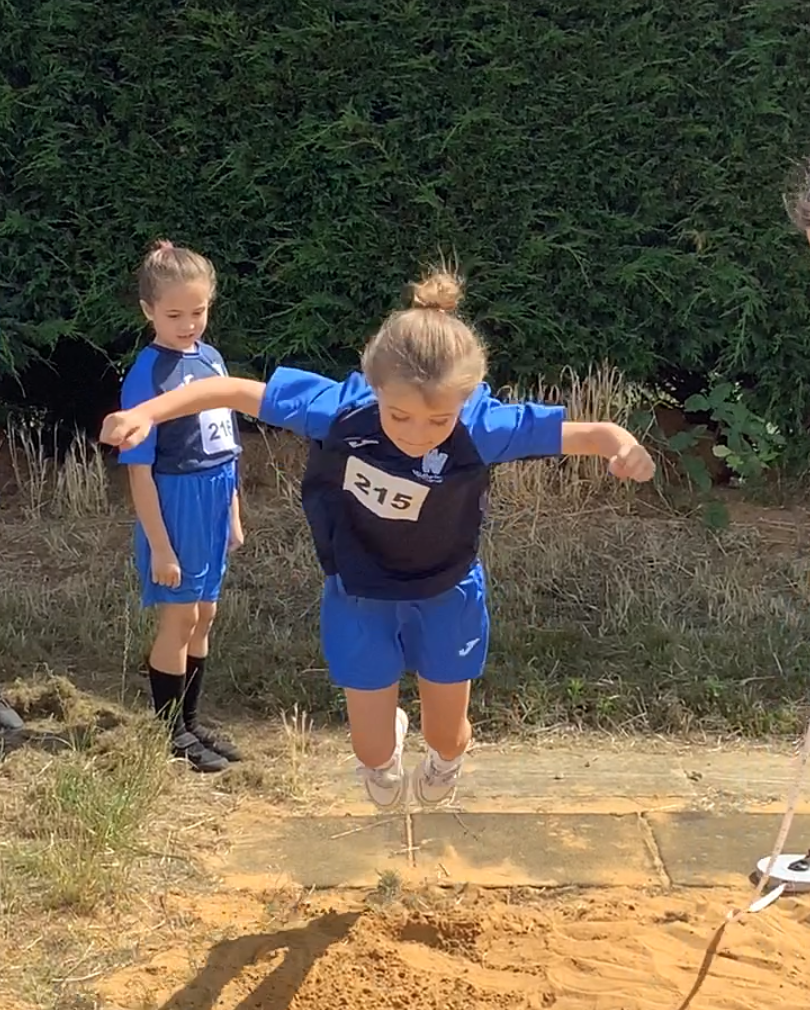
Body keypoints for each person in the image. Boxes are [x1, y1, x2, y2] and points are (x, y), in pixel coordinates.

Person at [102, 267, 655, 806]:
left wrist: (624, 447)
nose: (418, 435)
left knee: (447, 735)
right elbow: (228, 390)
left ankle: (445, 759)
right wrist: (147, 413)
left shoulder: (482, 427)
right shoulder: (342, 412)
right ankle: (385, 740)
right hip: (360, 591)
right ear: (374, 390)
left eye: (438, 421)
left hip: (446, 590)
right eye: (399, 416)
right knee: (372, 753)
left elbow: (592, 434)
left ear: (464, 403)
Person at [119, 241, 244, 774]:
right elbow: (139, 470)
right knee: (180, 616)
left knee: (205, 614)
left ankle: (191, 721)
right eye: (174, 315)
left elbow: (226, 443)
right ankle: (171, 732)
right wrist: (162, 547)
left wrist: (232, 512)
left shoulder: (211, 359)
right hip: (175, 502)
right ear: (148, 311)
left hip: (215, 497)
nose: (188, 324)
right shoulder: (146, 376)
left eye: (198, 311)